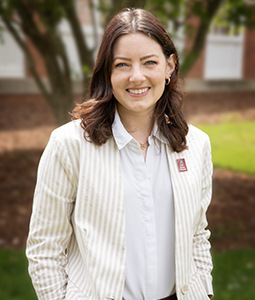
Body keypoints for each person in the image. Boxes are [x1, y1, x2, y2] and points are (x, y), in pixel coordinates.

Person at [26, 8, 214, 300]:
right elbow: (44, 249)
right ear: (108, 72)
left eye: (149, 62)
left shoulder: (197, 145)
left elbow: (198, 235)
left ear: (170, 67)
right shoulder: (69, 145)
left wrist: (205, 292)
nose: (136, 77)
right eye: (122, 65)